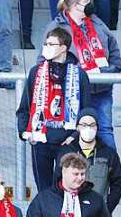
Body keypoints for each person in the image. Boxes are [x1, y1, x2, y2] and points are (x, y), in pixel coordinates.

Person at [42, 0, 120, 149]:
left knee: (105, 130)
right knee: (71, 133)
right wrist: (71, 74)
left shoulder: (97, 23)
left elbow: (114, 50)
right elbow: (43, 62)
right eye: (87, 2)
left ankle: (109, 171)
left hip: (101, 89)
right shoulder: (56, 27)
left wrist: (109, 71)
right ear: (76, 6)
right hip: (71, 92)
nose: (91, 4)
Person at [18, 27, 91, 193]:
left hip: (66, 140)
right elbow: (24, 107)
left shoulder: (79, 74)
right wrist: (26, 134)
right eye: (45, 44)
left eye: (51, 44)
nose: (46, 47)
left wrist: (74, 136)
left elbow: (87, 112)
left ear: (63, 47)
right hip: (40, 138)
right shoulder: (36, 72)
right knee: (43, 190)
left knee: (64, 188)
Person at [23, 152, 115, 217]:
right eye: (75, 174)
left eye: (82, 174)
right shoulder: (44, 198)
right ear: (64, 172)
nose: (80, 178)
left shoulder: (95, 199)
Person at [54, 108, 121, 213]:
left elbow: (118, 183)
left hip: (98, 215)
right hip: (71, 213)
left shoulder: (108, 153)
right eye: (84, 125)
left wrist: (107, 208)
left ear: (97, 128)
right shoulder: (66, 152)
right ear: (77, 127)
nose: (88, 128)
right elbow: (57, 181)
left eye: (92, 125)